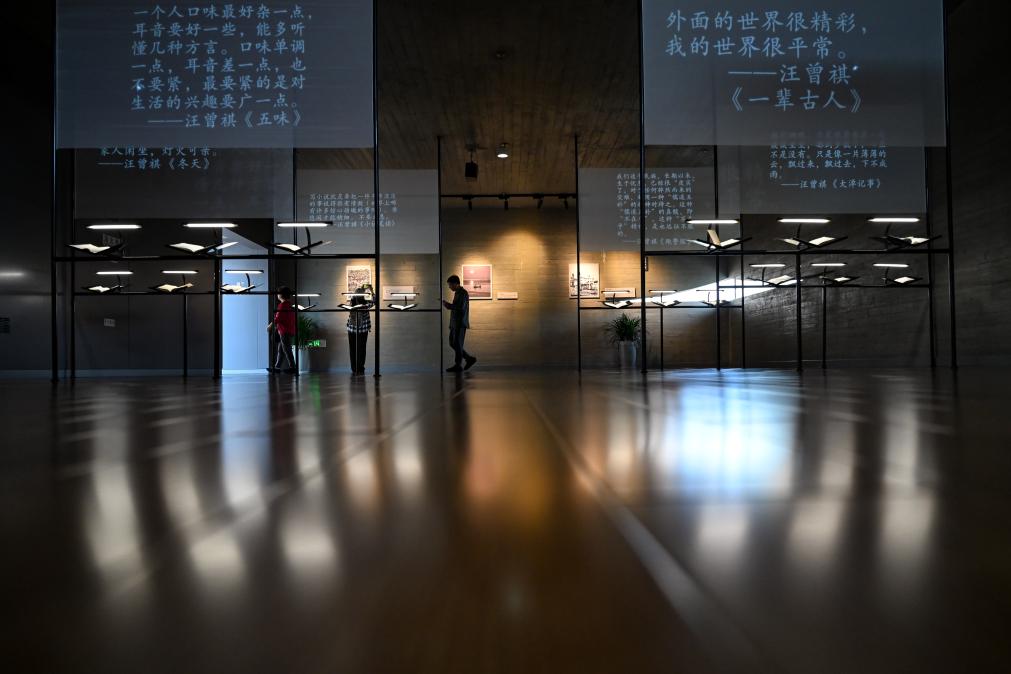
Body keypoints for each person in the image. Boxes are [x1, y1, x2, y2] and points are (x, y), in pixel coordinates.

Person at [443, 274, 476, 372]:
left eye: (450, 285)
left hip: (460, 323)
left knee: (457, 344)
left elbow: (460, 308)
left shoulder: (463, 293)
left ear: (456, 284)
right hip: (455, 323)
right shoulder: (458, 293)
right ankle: (468, 359)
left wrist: (448, 305)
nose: (449, 287)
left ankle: (458, 365)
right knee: (453, 343)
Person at [267, 286, 297, 373]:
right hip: (289, 330)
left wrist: (270, 325)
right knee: (281, 350)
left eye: (278, 293)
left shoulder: (282, 305)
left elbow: (278, 318)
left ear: (280, 295)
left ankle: (293, 367)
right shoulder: (289, 305)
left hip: (284, 331)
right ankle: (277, 367)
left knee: (286, 349)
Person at [346, 285, 372, 376]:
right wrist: (371, 290)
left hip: (351, 329)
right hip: (362, 330)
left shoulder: (352, 303)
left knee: (352, 349)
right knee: (361, 349)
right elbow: (375, 301)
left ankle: (354, 368)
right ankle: (360, 368)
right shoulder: (366, 304)